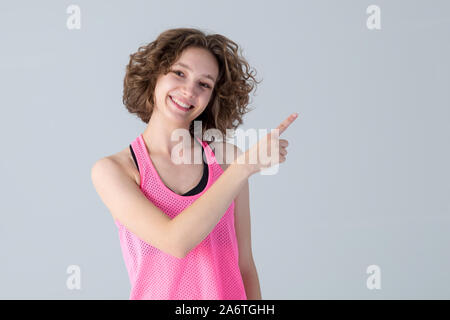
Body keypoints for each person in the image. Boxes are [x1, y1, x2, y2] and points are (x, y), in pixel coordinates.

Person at [91, 28, 298, 300]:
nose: (189, 90)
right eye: (179, 73)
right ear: (155, 75)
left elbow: (244, 263)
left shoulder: (226, 160)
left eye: (205, 84)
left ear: (213, 98)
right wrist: (243, 168)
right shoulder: (115, 170)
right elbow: (175, 242)